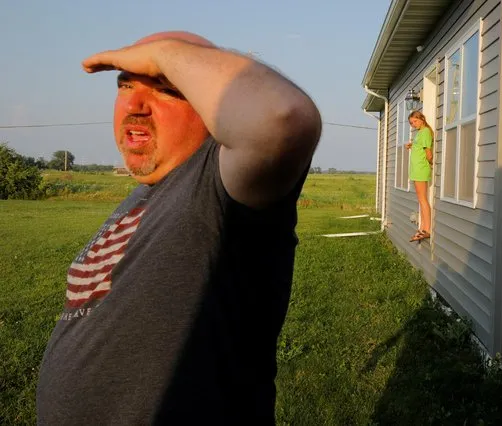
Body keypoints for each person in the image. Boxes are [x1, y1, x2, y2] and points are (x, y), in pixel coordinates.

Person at [36, 31, 322, 425]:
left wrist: (165, 53)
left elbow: (284, 118)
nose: (134, 105)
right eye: (126, 85)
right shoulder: (150, 190)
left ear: (213, 108)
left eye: (166, 89)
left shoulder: (219, 188)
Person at [406, 110, 433, 242]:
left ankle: (427, 229)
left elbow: (428, 153)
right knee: (420, 200)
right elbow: (420, 147)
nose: (413, 124)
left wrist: (431, 164)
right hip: (416, 170)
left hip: (421, 169)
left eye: (415, 121)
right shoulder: (420, 133)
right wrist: (412, 145)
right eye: (411, 123)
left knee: (423, 199)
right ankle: (422, 227)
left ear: (422, 118)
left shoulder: (426, 132)